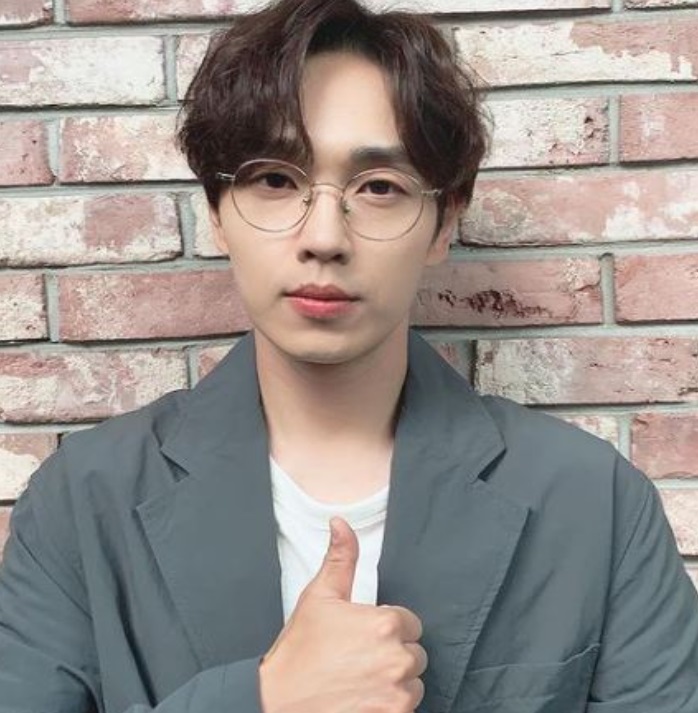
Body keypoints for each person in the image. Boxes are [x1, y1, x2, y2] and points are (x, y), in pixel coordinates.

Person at [1, 0, 697, 711]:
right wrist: (263, 699)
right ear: (216, 210)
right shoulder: (80, 503)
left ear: (443, 222)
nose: (325, 237)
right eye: (276, 180)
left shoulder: (595, 504)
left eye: (379, 188)